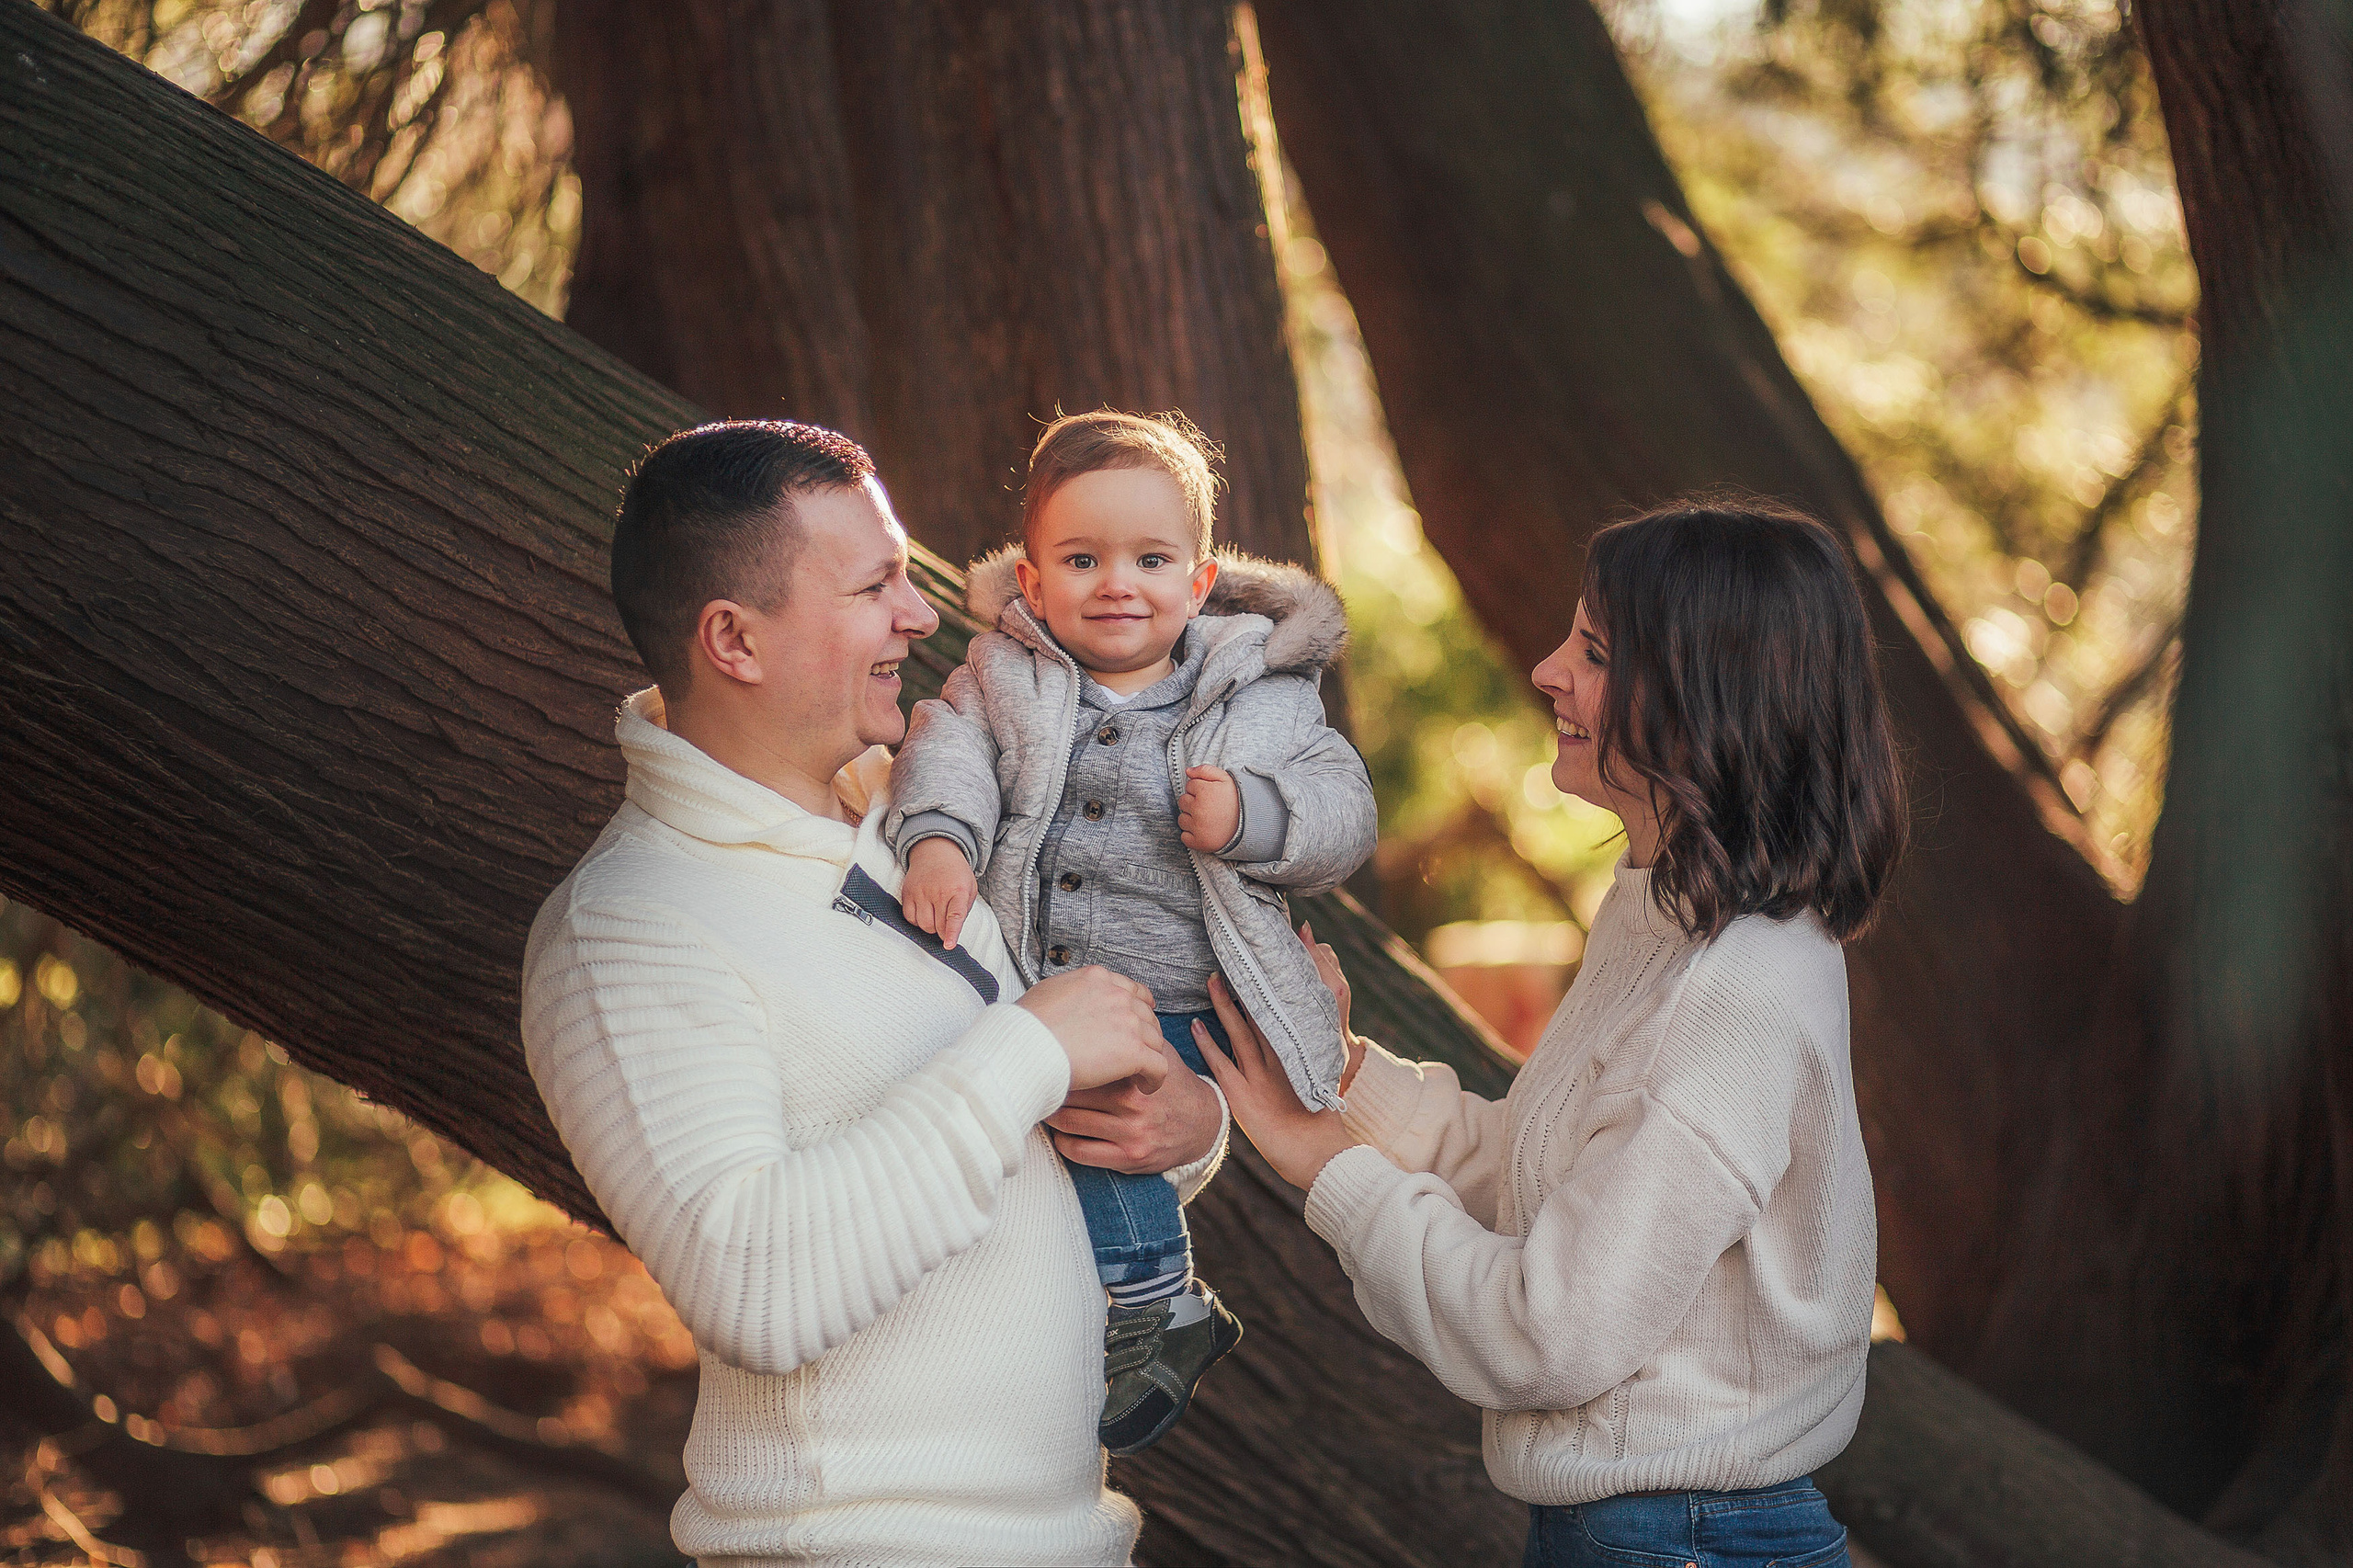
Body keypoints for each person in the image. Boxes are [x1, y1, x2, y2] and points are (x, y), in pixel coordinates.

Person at [519, 420, 1229, 1566]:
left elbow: (1044, 1135)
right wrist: (1025, 1050)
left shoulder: (923, 822)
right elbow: (755, 1285)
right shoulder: (630, 925)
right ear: (734, 640)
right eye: (875, 585)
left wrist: (1188, 1130)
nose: (921, 613)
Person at [1195, 496, 1907, 1568]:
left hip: (1682, 1542)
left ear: (1703, 695)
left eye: (1597, 650)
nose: (1545, 668)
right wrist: (1344, 1078)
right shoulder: (1666, 914)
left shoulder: (1736, 990)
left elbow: (1548, 1329)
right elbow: (1545, 1180)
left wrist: (1330, 1168)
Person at [884, 411, 1378, 1453]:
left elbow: (1344, 807)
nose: (1118, 583)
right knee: (1049, 1124)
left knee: (1099, 1111)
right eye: (1082, 558)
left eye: (1151, 559)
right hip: (1040, 972)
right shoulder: (1002, 674)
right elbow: (945, 750)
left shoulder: (1256, 690)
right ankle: (1144, 1302)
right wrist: (937, 840)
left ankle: (1155, 1295)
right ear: (1031, 579)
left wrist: (1255, 816)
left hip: (1185, 990)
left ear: (1199, 583)